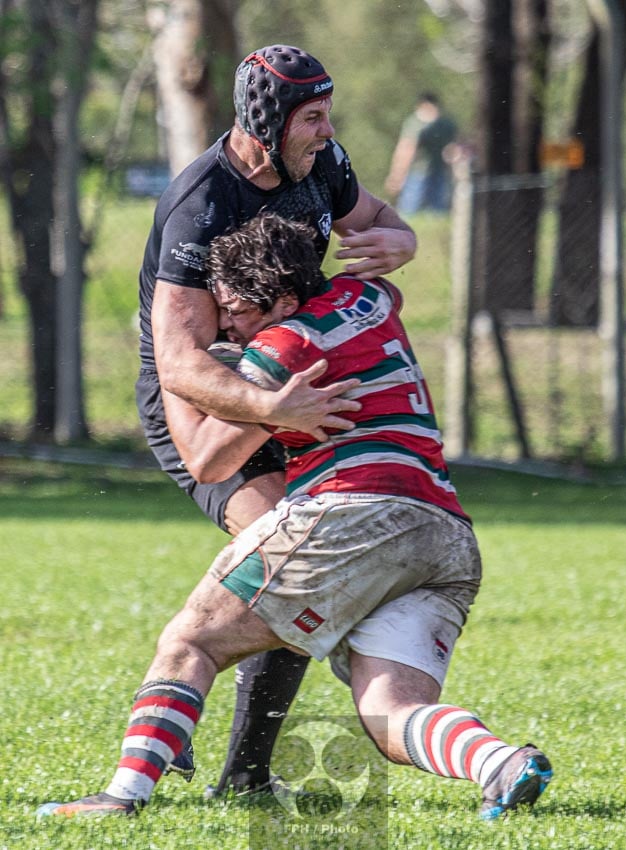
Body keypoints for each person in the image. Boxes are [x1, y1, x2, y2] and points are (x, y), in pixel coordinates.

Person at [38, 213, 552, 821]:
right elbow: (389, 291)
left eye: (238, 310)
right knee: (389, 713)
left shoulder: (283, 350)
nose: (229, 323)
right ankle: (502, 764)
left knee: (191, 640)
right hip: (444, 533)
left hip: (355, 513)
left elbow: (206, 460)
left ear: (283, 300)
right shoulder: (366, 297)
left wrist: (178, 368)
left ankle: (122, 797)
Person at [135, 44, 417, 794]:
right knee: (288, 558)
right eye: (313, 118)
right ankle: (195, 729)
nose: (328, 131)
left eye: (327, 114)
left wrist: (400, 241)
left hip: (287, 383)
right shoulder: (202, 204)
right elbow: (180, 363)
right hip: (207, 397)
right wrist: (267, 407)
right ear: (267, 122)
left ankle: (241, 773)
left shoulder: (321, 164)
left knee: (298, 568)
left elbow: (381, 221)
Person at [385, 92, 457, 214]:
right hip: (440, 171)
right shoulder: (446, 124)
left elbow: (406, 149)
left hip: (418, 171)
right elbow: (455, 149)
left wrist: (397, 175)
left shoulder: (415, 123)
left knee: (409, 210)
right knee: (437, 210)